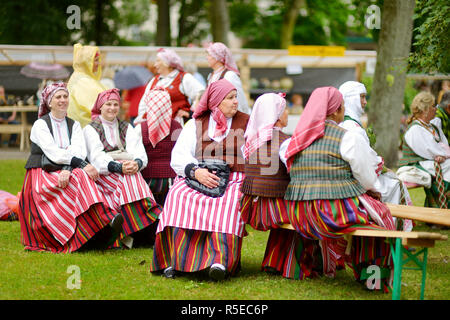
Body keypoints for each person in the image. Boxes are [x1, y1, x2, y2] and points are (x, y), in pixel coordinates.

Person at [282, 86, 396, 289]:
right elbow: (367, 179)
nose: (344, 110)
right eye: (342, 106)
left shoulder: (298, 139)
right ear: (335, 110)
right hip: (332, 213)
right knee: (379, 218)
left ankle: (323, 262)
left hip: (299, 212)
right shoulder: (347, 137)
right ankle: (374, 280)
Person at [149, 79, 249, 281]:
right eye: (230, 98)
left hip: (232, 179)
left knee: (228, 203)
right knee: (178, 195)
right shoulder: (195, 124)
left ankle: (221, 262)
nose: (235, 102)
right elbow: (178, 156)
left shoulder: (246, 122)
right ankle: (175, 261)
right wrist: (196, 172)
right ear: (216, 101)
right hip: (198, 176)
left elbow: (254, 153)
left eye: (235, 97)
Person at [17, 83, 119, 253]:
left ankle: (95, 227)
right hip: (42, 173)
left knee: (80, 175)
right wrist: (75, 165)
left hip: (66, 168)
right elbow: (53, 152)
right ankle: (102, 220)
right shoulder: (40, 125)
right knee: (80, 174)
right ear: (49, 102)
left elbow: (78, 150)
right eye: (58, 97)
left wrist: (67, 168)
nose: (63, 100)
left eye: (65, 96)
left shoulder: (74, 125)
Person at [83, 88, 163, 248]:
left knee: (131, 177)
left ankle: (121, 229)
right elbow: (96, 158)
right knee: (130, 179)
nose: (112, 108)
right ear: (100, 107)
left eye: (115, 104)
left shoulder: (126, 127)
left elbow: (139, 152)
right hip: (103, 175)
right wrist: (118, 167)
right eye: (108, 104)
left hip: (126, 170)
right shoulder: (91, 129)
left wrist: (137, 164)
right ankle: (148, 220)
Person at [240, 92, 298, 278]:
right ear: (277, 115)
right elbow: (295, 171)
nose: (287, 113)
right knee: (302, 214)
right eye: (285, 109)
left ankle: (273, 261)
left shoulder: (249, 140)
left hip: (250, 206)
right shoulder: (285, 142)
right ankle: (284, 264)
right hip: (273, 209)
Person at [339, 81, 413, 212]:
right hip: (357, 182)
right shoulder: (352, 128)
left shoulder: (347, 123)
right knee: (396, 184)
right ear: (350, 99)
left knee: (392, 179)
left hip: (353, 178)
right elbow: (363, 163)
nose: (365, 102)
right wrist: (381, 165)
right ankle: (393, 222)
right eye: (361, 97)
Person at [398, 91, 450, 209]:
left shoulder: (433, 127)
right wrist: (441, 155)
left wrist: (443, 155)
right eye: (433, 106)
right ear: (425, 109)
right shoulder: (415, 130)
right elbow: (428, 150)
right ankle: (441, 210)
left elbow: (444, 145)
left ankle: (441, 210)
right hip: (416, 164)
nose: (436, 109)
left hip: (430, 162)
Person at [134, 87, 182, 206]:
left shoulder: (140, 128)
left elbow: (134, 153)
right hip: (172, 180)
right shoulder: (177, 127)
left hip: (145, 180)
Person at [136, 48, 205, 125]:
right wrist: (141, 120)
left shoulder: (183, 77)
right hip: (154, 126)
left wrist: (191, 112)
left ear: (167, 63)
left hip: (175, 125)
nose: (155, 65)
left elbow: (202, 94)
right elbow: (144, 102)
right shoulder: (154, 80)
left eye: (158, 61)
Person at [67, 43, 107, 127]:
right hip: (87, 129)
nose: (98, 63)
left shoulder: (81, 77)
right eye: (95, 60)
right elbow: (99, 105)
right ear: (86, 62)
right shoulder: (83, 81)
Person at [205, 42, 250, 114]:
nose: (206, 57)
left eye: (209, 55)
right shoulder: (211, 76)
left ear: (217, 57)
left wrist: (239, 122)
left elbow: (239, 100)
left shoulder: (229, 75)